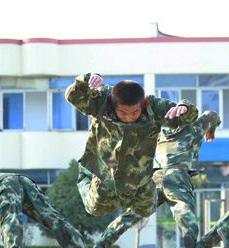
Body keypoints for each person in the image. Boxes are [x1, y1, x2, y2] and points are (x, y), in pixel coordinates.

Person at [91, 110, 221, 248]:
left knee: (132, 214)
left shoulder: (159, 132)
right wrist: (211, 130)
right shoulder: (193, 128)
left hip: (156, 176)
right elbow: (212, 114)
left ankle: (102, 244)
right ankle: (189, 239)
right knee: (182, 207)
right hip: (177, 175)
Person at [65, 73, 199, 220]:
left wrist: (184, 108)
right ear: (113, 104)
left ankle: (156, 181)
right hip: (105, 174)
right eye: (123, 113)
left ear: (142, 105)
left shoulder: (154, 107)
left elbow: (187, 118)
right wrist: (87, 80)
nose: (129, 118)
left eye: (135, 112)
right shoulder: (102, 100)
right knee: (96, 209)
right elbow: (73, 96)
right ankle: (86, 176)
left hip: (139, 178)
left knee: (146, 211)